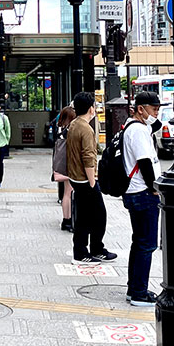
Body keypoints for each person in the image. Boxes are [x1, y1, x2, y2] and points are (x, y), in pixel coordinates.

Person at [122, 91, 162, 307]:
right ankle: (139, 292)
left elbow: (156, 125)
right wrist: (153, 188)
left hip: (135, 191)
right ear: (140, 109)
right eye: (154, 109)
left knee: (139, 243)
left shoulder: (135, 127)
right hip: (142, 193)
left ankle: (134, 288)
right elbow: (145, 162)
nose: (156, 114)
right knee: (146, 244)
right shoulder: (137, 131)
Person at [68, 92, 116, 264]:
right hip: (85, 179)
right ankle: (85, 251)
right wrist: (92, 181)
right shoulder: (86, 129)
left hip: (75, 177)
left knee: (86, 215)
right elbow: (88, 157)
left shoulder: (74, 125)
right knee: (96, 216)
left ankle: (92, 248)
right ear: (91, 109)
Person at [53, 106, 75, 232]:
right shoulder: (69, 131)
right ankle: (68, 219)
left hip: (62, 164)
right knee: (69, 192)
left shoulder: (60, 129)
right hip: (70, 164)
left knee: (66, 193)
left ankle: (65, 219)